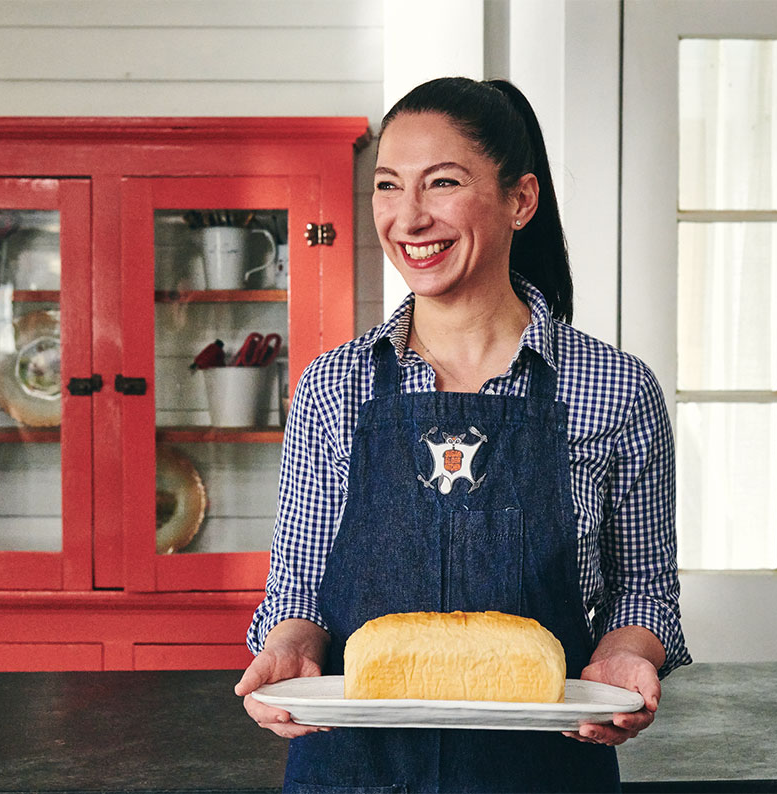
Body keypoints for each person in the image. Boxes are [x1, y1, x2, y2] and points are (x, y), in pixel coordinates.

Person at [235, 76, 691, 793]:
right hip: (353, 772)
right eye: (388, 187)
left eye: (440, 183)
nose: (407, 218)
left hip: (544, 772)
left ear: (520, 200)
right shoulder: (334, 387)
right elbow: (298, 588)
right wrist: (290, 648)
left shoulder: (616, 389)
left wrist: (626, 657)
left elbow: (644, 589)